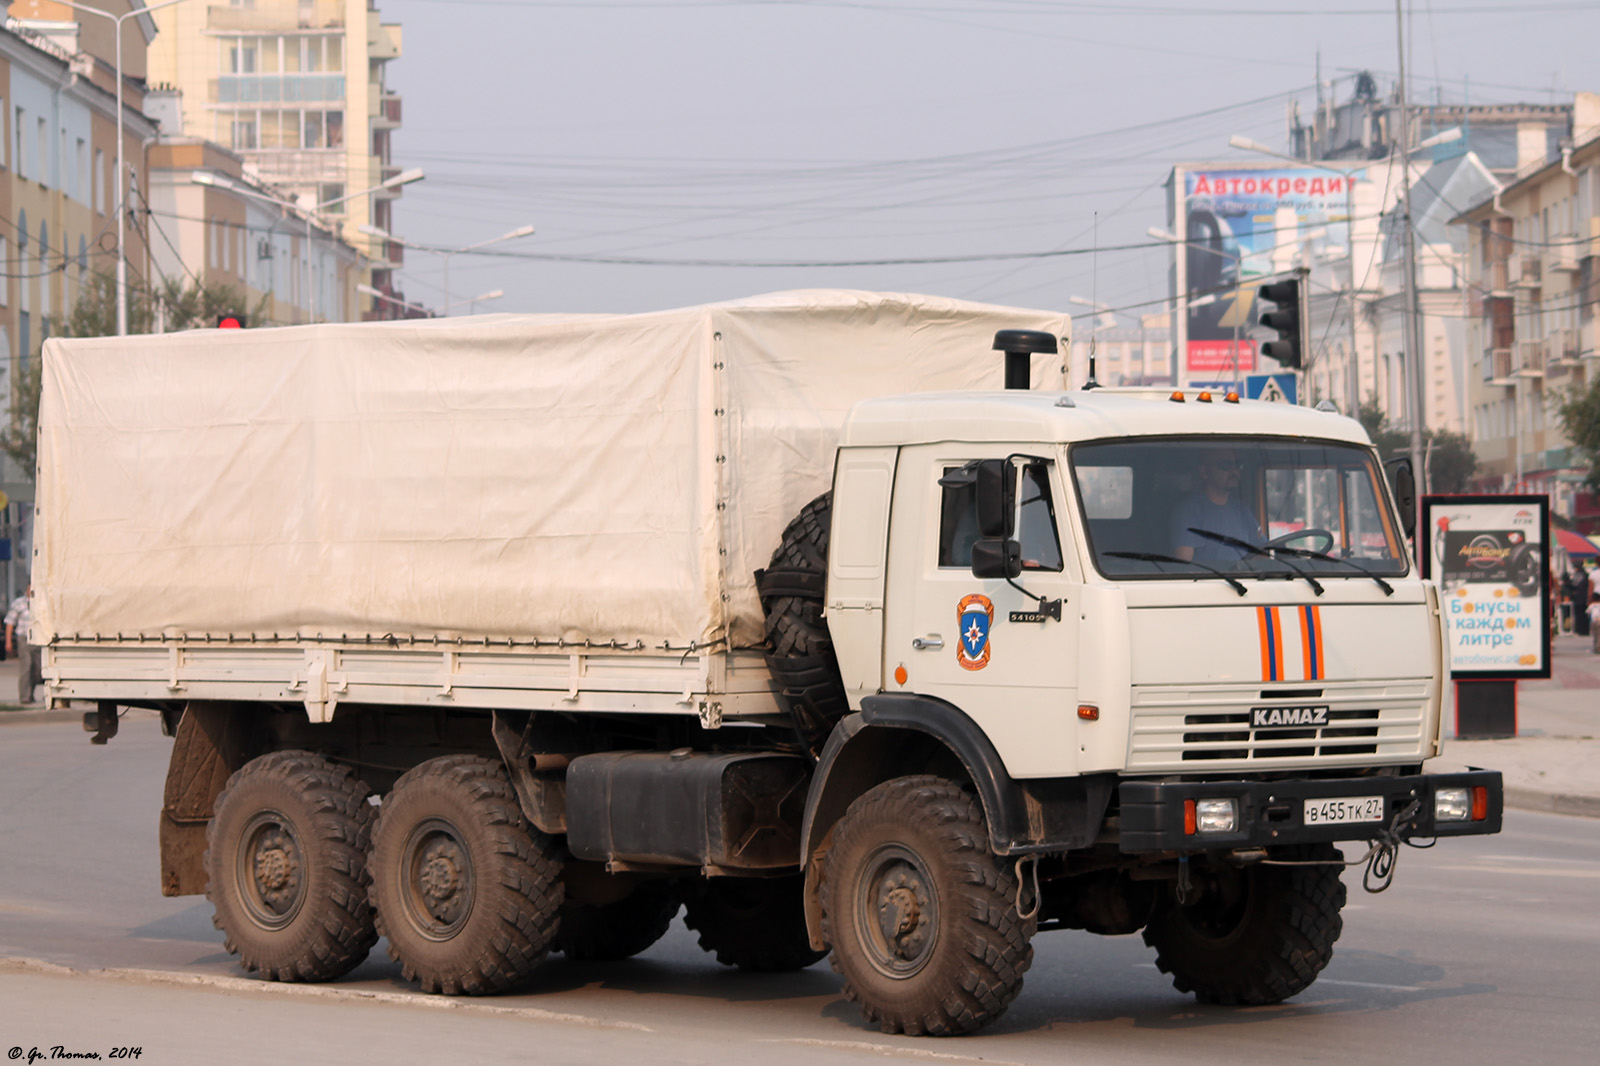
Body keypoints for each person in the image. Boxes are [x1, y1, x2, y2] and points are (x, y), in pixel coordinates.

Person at [1172, 447, 1264, 563]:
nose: (1234, 471)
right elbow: (1182, 566)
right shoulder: (1189, 512)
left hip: (1244, 579)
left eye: (1237, 465)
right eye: (1225, 465)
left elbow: (1262, 552)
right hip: (1209, 580)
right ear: (1204, 472)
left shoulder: (1241, 509)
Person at [4, 585, 39, 704]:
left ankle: (31, 692)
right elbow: (10, 623)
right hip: (24, 638)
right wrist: (8, 642)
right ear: (27, 589)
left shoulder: (41, 601)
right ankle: (24, 696)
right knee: (26, 666)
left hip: (38, 638)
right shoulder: (18, 603)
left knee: (37, 668)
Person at [1575, 562, 1592, 639]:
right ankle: (1584, 630)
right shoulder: (1585, 574)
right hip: (1584, 597)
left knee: (1580, 615)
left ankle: (1581, 630)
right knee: (1585, 615)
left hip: (1580, 598)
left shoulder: (1580, 575)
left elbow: (1575, 584)